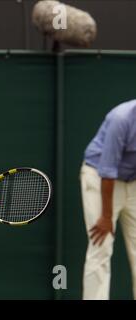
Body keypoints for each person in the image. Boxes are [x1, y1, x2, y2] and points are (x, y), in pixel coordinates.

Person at [80, 99, 136, 300]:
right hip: (99, 178)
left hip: (132, 180)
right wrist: (106, 216)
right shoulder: (121, 118)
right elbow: (107, 170)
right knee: (101, 246)